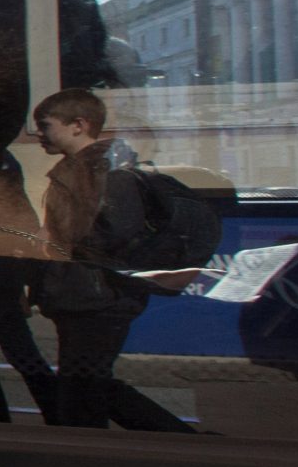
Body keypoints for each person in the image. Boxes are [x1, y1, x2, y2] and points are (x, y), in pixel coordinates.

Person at [30, 88, 195, 432]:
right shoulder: (80, 169)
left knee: (83, 388)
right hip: (87, 293)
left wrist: (55, 242)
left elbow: (117, 230)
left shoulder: (105, 170)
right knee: (86, 383)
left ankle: (159, 439)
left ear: (78, 125)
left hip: (98, 295)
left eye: (45, 125)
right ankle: (172, 436)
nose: (38, 134)